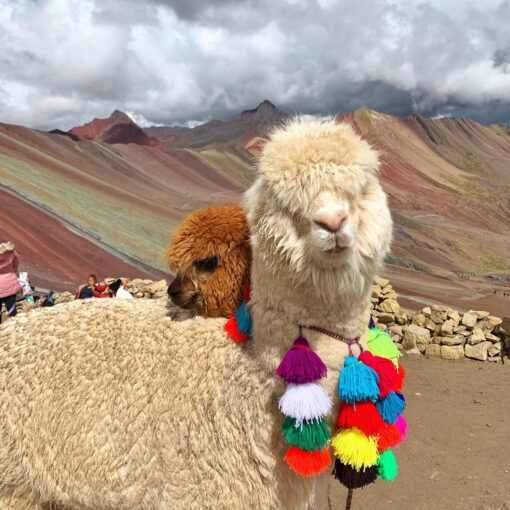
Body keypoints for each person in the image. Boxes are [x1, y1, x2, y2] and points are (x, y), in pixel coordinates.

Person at [0, 241, 23, 324]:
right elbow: (16, 266)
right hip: (10, 284)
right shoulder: (12, 252)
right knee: (11, 309)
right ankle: (14, 328)